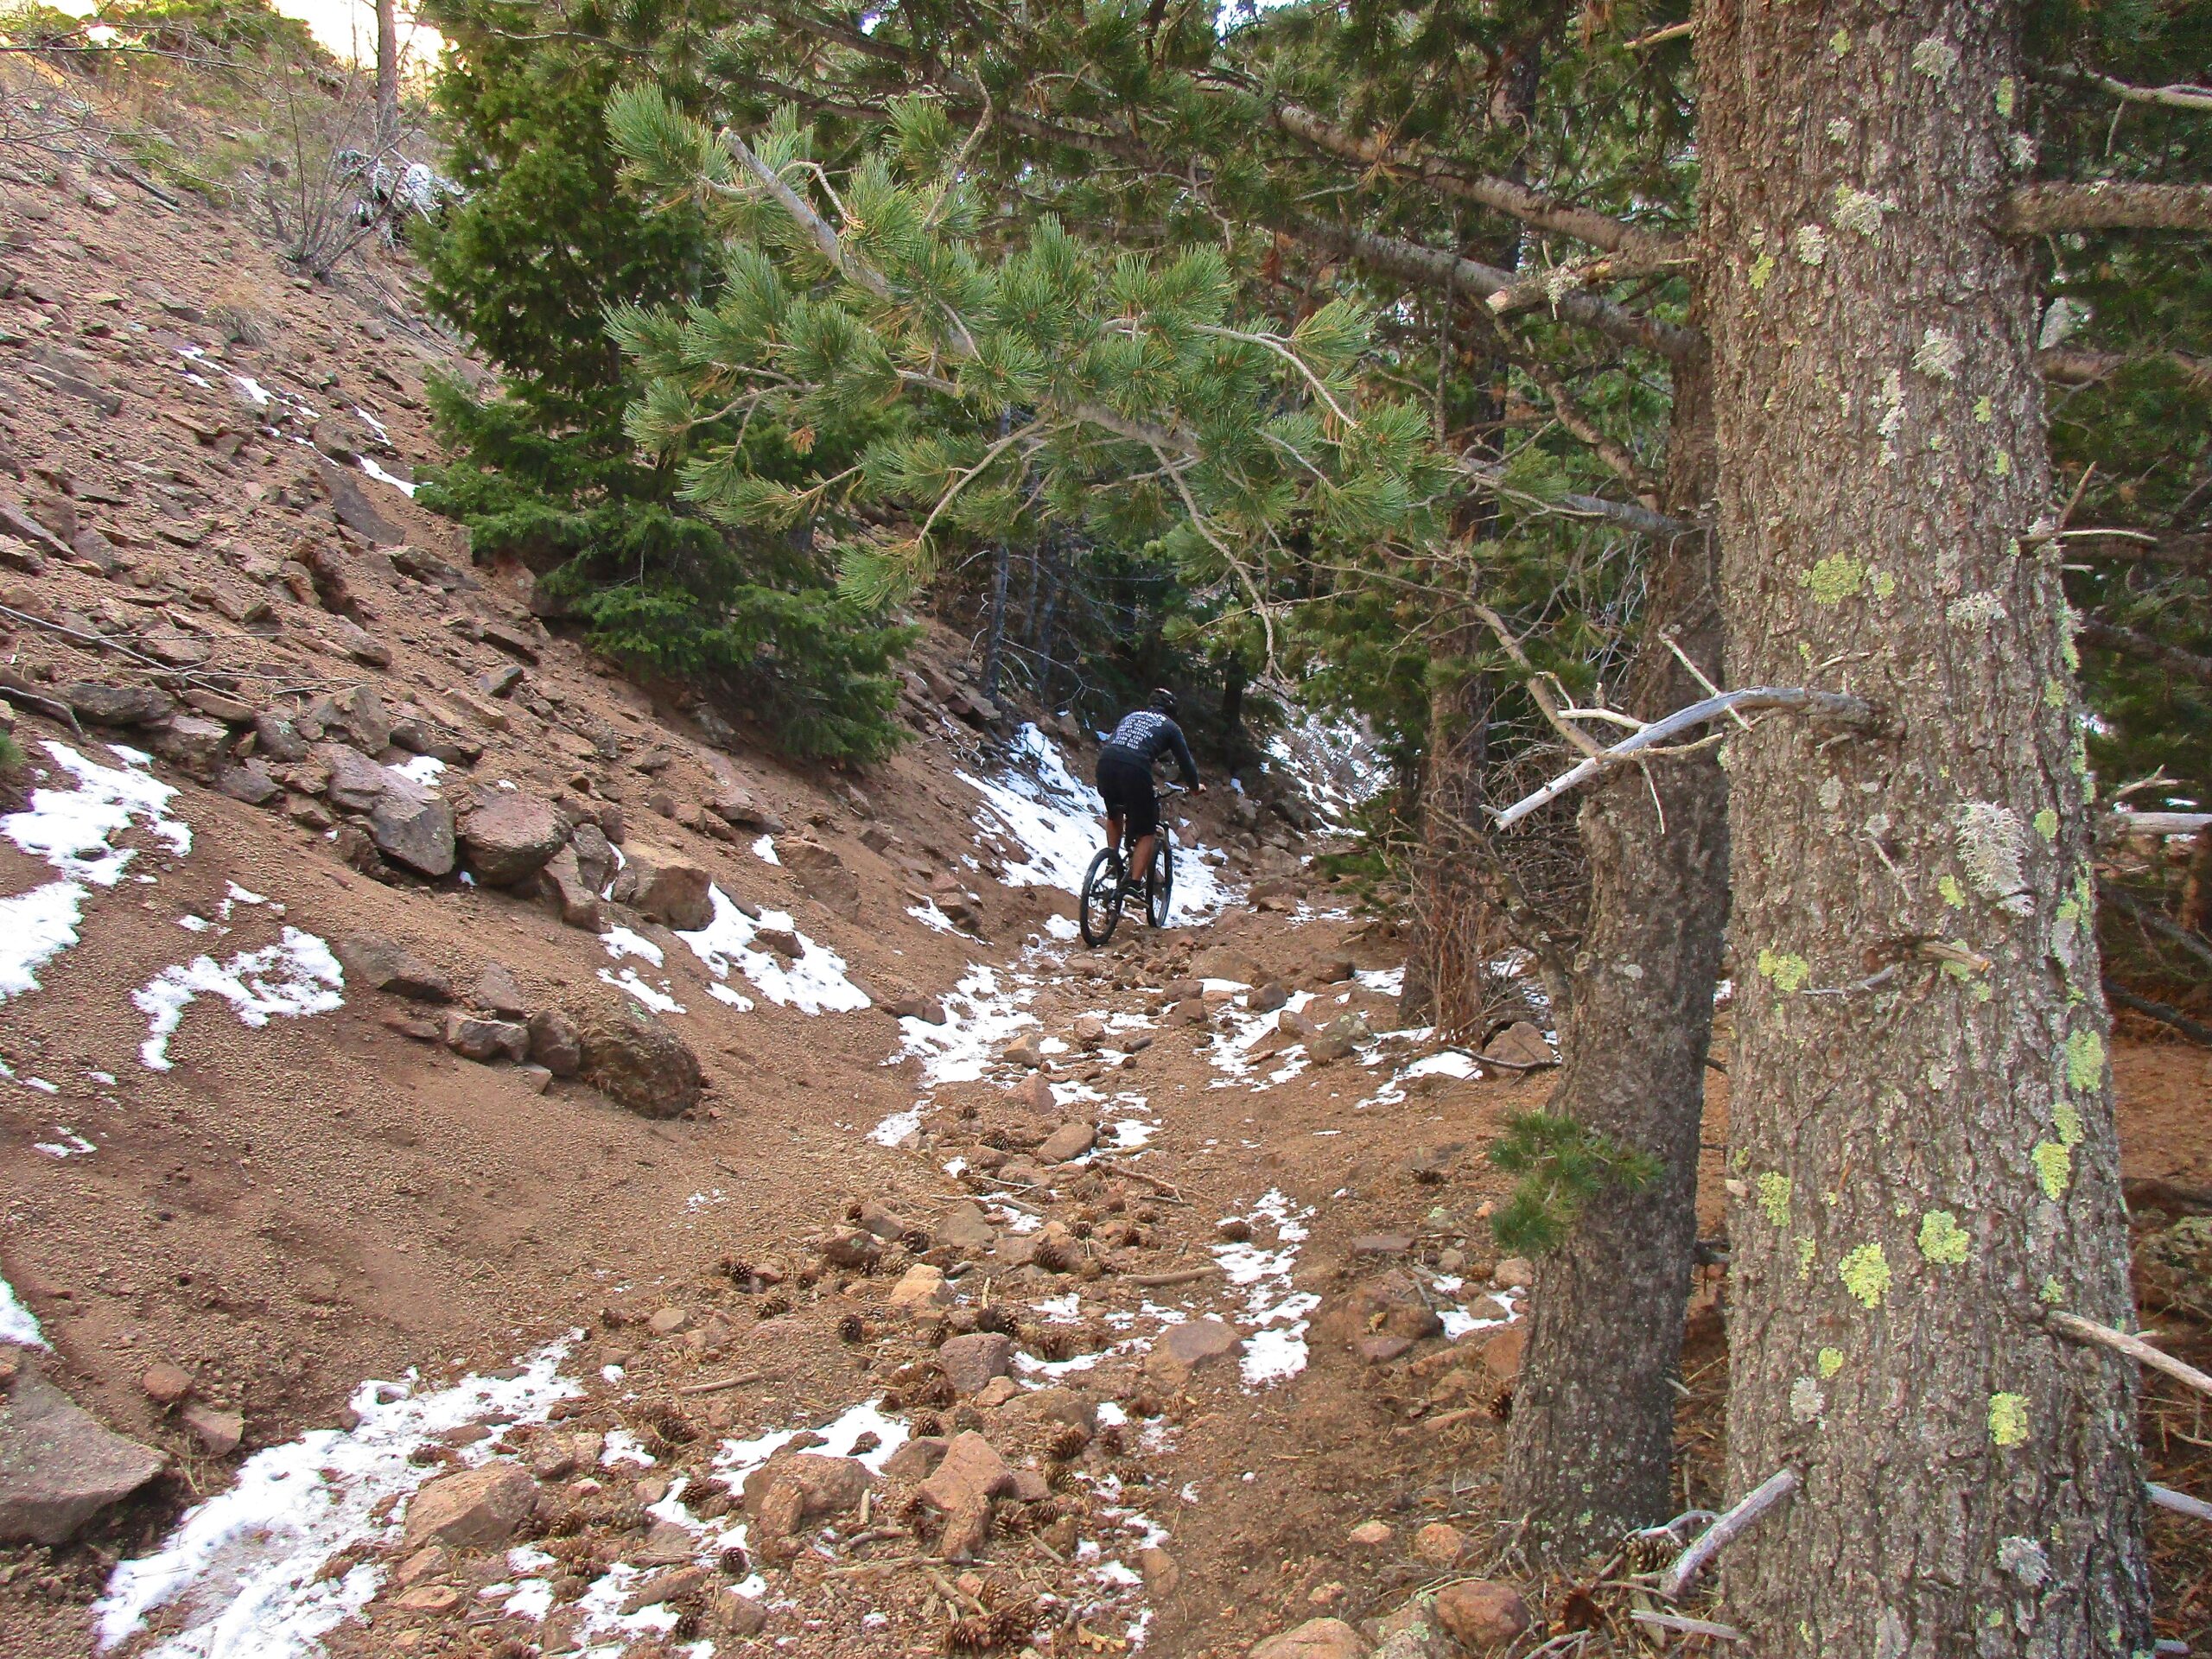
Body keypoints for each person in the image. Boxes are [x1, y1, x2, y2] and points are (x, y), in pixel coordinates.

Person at [1096, 689, 1204, 897]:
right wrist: (1194, 787)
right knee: (1147, 831)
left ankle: (1112, 860)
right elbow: (1186, 764)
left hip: (1106, 763)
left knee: (1114, 813)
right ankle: (1133, 886)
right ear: (1172, 710)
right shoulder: (1171, 727)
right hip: (1135, 770)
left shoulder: (1131, 716)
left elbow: (1118, 742)